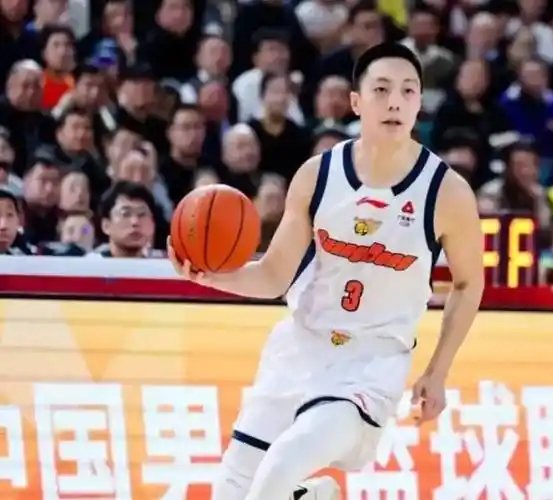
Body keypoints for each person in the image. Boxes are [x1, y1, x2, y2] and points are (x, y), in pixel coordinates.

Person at [167, 42, 484, 500]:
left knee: (282, 464)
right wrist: (211, 275)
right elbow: (275, 275)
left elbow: (469, 283)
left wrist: (438, 371)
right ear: (356, 102)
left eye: (408, 91)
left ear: (419, 102)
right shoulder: (318, 175)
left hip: (369, 366)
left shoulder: (447, 192)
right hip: (300, 348)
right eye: (381, 89)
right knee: (233, 491)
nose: (395, 101)